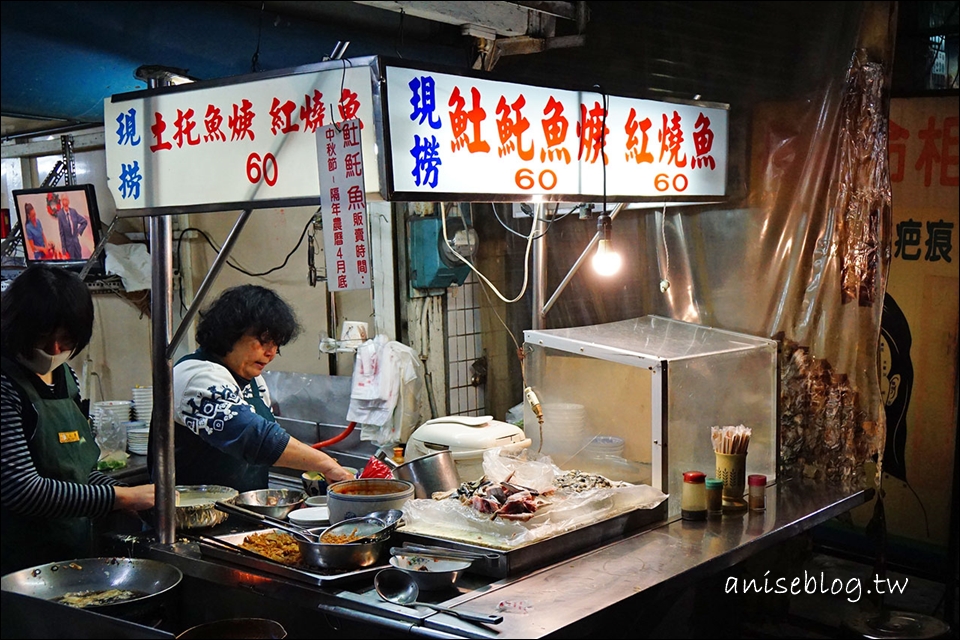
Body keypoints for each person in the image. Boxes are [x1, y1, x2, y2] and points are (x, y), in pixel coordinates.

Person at [1, 264, 155, 574]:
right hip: (15, 566)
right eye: (43, 338)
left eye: (67, 340)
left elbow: (79, 473)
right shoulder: (6, 385)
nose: (55, 349)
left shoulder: (64, 376)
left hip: (65, 558)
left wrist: (127, 497)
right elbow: (20, 489)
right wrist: (120, 496)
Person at [170, 284, 354, 492]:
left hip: (245, 511)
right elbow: (254, 438)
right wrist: (327, 465)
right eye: (264, 340)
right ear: (230, 332)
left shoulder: (253, 380)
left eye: (276, 344)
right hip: (193, 517)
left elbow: (271, 439)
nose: (271, 353)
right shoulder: (194, 375)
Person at [55, 193, 88, 260]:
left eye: (66, 199)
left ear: (69, 201)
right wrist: (63, 248)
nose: (65, 201)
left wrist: (79, 231)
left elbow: (84, 222)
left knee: (79, 261)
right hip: (68, 246)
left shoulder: (73, 212)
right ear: (61, 201)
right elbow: (61, 233)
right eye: (63, 200)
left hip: (76, 243)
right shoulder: (60, 214)